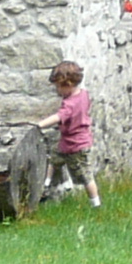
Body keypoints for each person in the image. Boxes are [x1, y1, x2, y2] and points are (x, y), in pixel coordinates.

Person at [31, 60, 99, 207]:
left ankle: (96, 203)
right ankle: (47, 185)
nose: (57, 91)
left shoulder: (70, 104)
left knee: (85, 176)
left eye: (58, 87)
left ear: (67, 85)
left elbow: (59, 116)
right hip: (66, 142)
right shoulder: (84, 94)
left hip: (77, 146)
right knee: (54, 158)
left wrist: (40, 125)